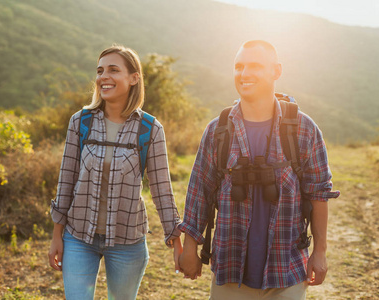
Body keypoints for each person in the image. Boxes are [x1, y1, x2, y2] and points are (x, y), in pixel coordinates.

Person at [178, 40, 340, 299]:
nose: (244, 74)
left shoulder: (303, 129)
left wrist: (319, 252)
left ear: (276, 71)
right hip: (230, 272)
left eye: (255, 66)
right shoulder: (218, 131)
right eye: (239, 66)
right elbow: (200, 190)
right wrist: (189, 247)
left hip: (286, 272)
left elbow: (319, 194)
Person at [48, 45, 183, 300]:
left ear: (134, 78)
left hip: (127, 242)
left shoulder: (150, 129)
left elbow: (162, 189)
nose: (103, 77)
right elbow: (66, 180)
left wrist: (176, 241)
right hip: (78, 237)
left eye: (113, 70)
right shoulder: (81, 121)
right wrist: (57, 235)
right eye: (100, 71)